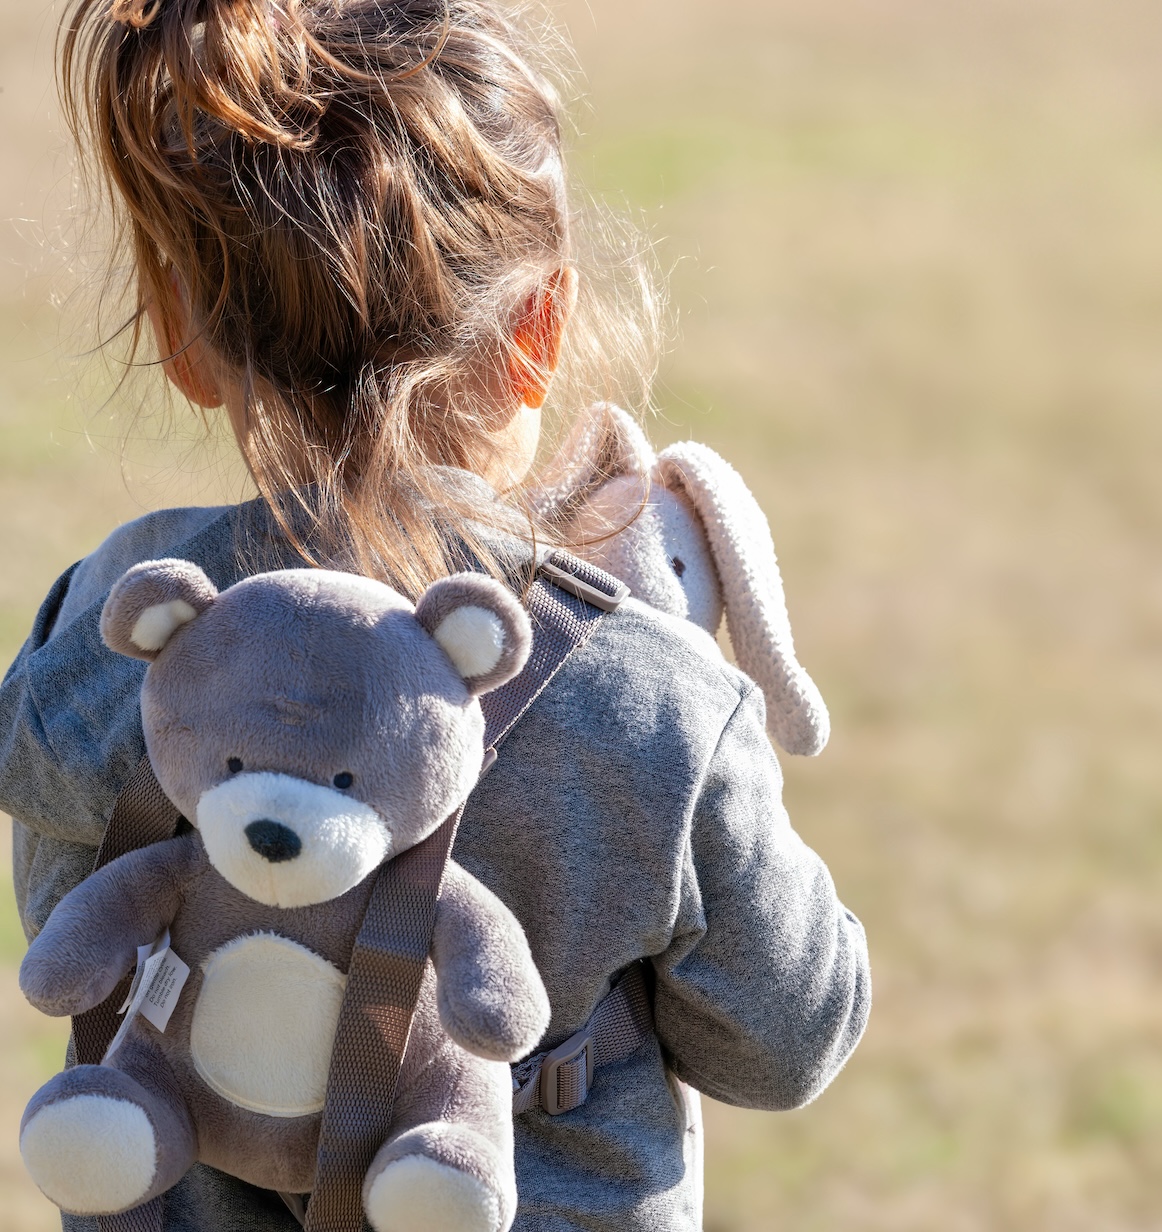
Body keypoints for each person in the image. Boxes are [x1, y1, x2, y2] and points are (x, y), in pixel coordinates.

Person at [0, 0, 871, 1228]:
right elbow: (784, 1042)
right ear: (539, 328)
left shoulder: (123, 618)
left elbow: (65, 932)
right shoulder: (653, 690)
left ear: (183, 329)